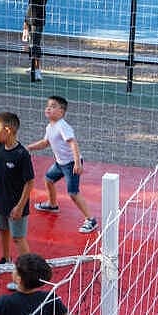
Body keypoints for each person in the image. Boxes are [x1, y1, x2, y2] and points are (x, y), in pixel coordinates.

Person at [29, 96, 98, 234]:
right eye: (48, 106)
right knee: (48, 180)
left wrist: (77, 163)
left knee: (73, 193)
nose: (48, 108)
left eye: (53, 106)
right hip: (60, 163)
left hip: (71, 164)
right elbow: (45, 142)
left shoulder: (62, 126)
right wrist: (29, 147)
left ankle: (91, 219)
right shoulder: (50, 127)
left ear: (61, 112)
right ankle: (52, 204)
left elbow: (73, 143)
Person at [0, 112, 35, 275]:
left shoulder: (22, 155)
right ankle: (6, 259)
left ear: (7, 130)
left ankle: (29, 272)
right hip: (1, 201)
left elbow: (29, 182)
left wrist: (20, 207)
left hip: (16, 204)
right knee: (3, 229)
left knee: (18, 238)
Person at [23, 0, 46, 82]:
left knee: (36, 45)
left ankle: (37, 70)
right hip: (29, 18)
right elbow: (29, 4)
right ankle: (33, 67)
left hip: (37, 20)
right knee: (31, 44)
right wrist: (25, 21)